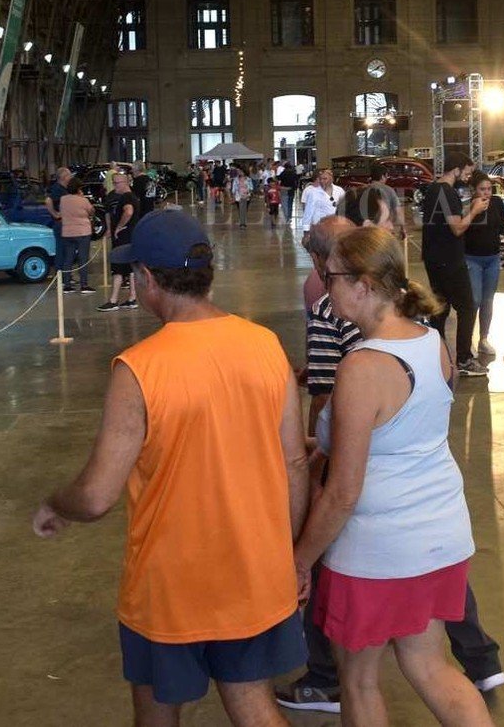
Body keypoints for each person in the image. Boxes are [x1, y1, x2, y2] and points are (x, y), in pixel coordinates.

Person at [33, 209, 308, 726]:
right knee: (253, 705)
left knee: (158, 717)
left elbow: (95, 497)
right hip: (253, 573)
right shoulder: (265, 346)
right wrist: (286, 555)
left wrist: (53, 503)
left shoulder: (139, 369)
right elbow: (294, 462)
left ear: (148, 280)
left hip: (170, 588)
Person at [292, 226, 496, 727]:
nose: (324, 284)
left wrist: (299, 562)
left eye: (331, 276)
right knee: (428, 664)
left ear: (363, 284)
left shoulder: (362, 366)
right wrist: (327, 443)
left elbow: (342, 493)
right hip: (440, 535)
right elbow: (404, 433)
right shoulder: (431, 341)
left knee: (358, 679)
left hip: (378, 549)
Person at [420, 153, 485, 377]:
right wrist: (474, 211)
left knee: (441, 307)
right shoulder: (445, 192)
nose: (467, 178)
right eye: (466, 173)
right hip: (448, 259)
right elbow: (456, 227)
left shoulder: (433, 190)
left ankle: (435, 355)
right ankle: (464, 358)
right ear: (455, 169)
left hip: (435, 257)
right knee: (467, 306)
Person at [462, 172, 504, 358]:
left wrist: (501, 233)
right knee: (474, 300)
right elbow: (461, 228)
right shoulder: (468, 206)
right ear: (474, 190)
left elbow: (503, 218)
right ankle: (466, 341)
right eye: (482, 189)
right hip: (472, 258)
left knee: (488, 300)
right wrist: (473, 211)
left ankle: (483, 339)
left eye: (489, 189)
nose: (486, 193)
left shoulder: (497, 203)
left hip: (492, 258)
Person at [97, 171, 141, 312]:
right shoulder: (132, 196)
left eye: (117, 183)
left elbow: (128, 212)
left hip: (123, 238)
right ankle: (132, 298)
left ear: (125, 183)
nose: (114, 186)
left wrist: (119, 227)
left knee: (118, 268)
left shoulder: (127, 197)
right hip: (131, 237)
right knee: (130, 268)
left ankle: (113, 300)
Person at [58, 179, 97, 293]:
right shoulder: (83, 200)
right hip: (82, 232)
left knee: (68, 259)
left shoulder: (63, 199)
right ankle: (84, 285)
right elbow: (92, 211)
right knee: (82, 258)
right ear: (79, 189)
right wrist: (82, 197)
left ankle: (67, 285)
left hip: (67, 232)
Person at [46, 165, 73, 257]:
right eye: (69, 175)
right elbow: (48, 201)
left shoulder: (64, 189)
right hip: (60, 224)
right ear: (64, 177)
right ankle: (60, 270)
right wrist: (55, 214)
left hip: (66, 223)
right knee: (61, 249)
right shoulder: (57, 189)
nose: (71, 177)